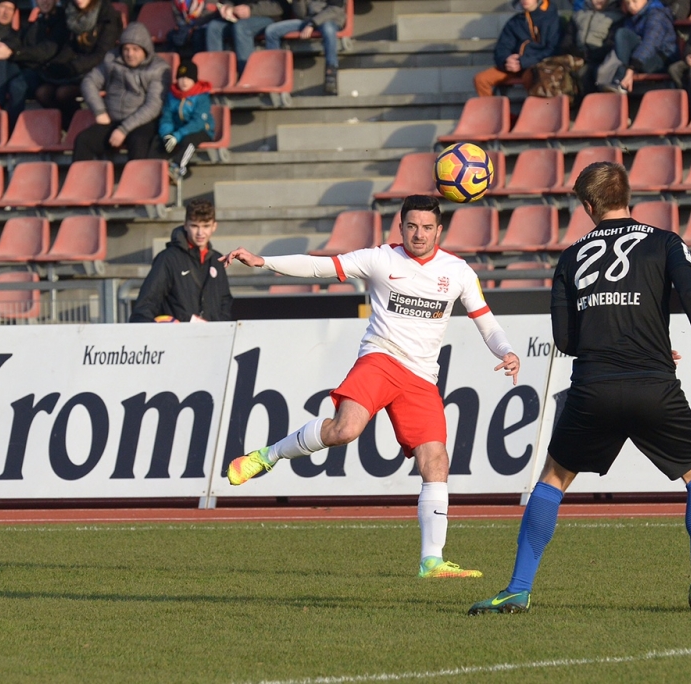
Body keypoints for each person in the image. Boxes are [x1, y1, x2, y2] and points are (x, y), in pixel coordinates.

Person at [468, 161, 691, 615]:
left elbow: (565, 340)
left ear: (588, 205)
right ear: (627, 196)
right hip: (653, 386)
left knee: (553, 480)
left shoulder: (570, 256)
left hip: (592, 390)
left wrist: (609, 341)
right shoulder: (666, 242)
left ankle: (517, 588)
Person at [220, 194, 522, 579]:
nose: (419, 234)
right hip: (380, 359)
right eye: (411, 226)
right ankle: (266, 456)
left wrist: (506, 350)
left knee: (436, 460)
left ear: (439, 231)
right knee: (344, 430)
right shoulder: (381, 259)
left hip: (421, 377)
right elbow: (320, 266)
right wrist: (264, 261)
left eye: (427, 228)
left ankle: (432, 560)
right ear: (401, 227)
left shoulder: (458, 272)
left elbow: (486, 320)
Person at [75, 22, 171, 162]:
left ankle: (137, 177)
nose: (129, 54)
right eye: (126, 49)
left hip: (142, 122)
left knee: (138, 141)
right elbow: (89, 81)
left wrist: (124, 129)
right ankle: (82, 176)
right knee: (84, 140)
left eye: (135, 49)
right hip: (113, 120)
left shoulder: (159, 69)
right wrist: (99, 111)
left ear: (145, 49)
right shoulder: (112, 60)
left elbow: (153, 106)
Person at [130, 198, 233, 323]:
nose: (200, 233)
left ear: (214, 226)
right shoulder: (168, 259)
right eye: (194, 226)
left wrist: (220, 329)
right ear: (185, 225)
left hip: (211, 334)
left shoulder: (218, 260)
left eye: (206, 226)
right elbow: (146, 304)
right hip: (176, 334)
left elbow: (225, 304)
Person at [35, 0, 121, 128]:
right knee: (43, 93)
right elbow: (70, 47)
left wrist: (74, 67)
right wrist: (57, 64)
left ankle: (79, 127)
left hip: (101, 70)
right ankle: (70, 127)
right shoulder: (72, 12)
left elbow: (103, 54)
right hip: (78, 69)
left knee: (63, 93)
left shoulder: (107, 14)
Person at [0, 0, 67, 125]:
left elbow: (45, 51)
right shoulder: (36, 23)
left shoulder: (61, 21)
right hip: (22, 69)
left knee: (16, 84)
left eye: (10, 9)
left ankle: (1, 115)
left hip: (44, 72)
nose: (45, 1)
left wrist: (10, 52)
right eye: (3, 7)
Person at [473, 0, 560, 97]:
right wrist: (506, 60)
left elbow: (553, 50)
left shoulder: (552, 19)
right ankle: (493, 107)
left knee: (531, 77)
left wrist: (524, 62)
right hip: (514, 67)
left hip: (537, 66)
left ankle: (533, 106)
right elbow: (502, 47)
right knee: (481, 79)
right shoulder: (515, 22)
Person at [264, 0, 346, 95]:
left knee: (328, 30)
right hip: (309, 20)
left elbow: (335, 9)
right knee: (271, 31)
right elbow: (301, 15)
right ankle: (274, 75)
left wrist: (312, 24)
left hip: (329, 19)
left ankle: (331, 71)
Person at [596, 0, 678, 94]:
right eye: (628, 3)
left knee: (623, 34)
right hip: (639, 60)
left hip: (661, 60)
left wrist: (632, 67)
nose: (631, 6)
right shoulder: (631, 18)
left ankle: (620, 79)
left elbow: (650, 43)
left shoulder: (657, 15)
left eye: (634, 1)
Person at [159, 58, 215, 181]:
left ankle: (177, 167)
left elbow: (198, 122)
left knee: (189, 140)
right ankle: (156, 168)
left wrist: (177, 135)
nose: (184, 81)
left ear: (194, 80)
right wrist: (167, 134)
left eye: (188, 78)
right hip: (178, 130)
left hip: (201, 130)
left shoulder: (201, 97)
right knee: (159, 141)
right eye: (181, 78)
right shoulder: (172, 96)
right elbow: (167, 117)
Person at [559, 0, 624, 94]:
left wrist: (589, 55)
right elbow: (567, 40)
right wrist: (574, 52)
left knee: (585, 73)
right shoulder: (578, 16)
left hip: (600, 59)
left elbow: (611, 44)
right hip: (577, 57)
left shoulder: (616, 18)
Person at [203, 0, 285, 70]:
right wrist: (228, 7)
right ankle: (216, 74)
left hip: (269, 17)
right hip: (239, 17)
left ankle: (247, 74)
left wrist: (251, 10)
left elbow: (280, 7)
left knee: (241, 27)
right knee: (214, 27)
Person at [0, 0, 19, 110]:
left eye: (10, 9)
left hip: (6, 72)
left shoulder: (17, 36)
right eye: (3, 7)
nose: (6, 12)